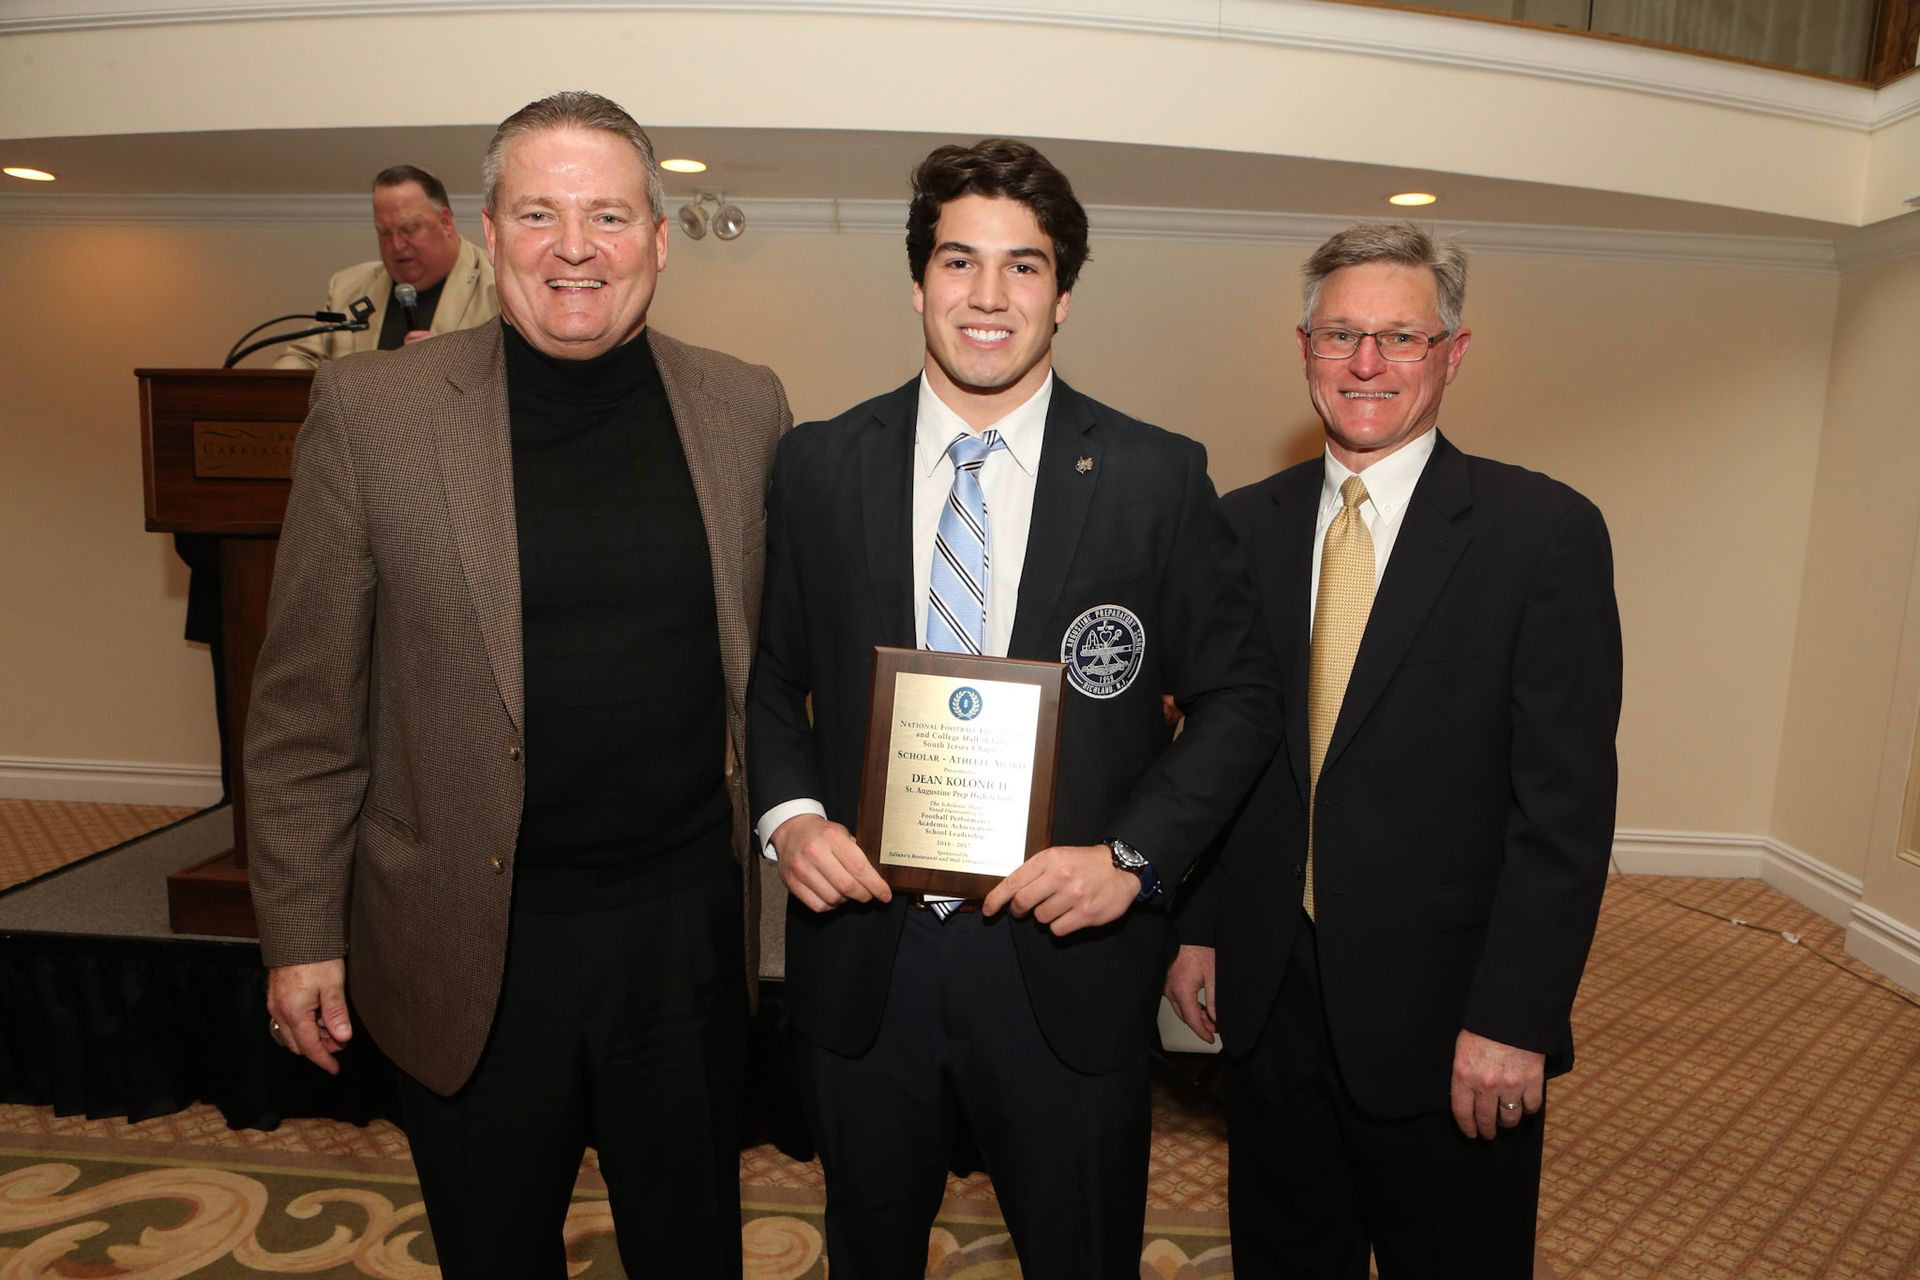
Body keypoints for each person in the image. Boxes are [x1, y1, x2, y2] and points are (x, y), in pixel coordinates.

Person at [246, 91, 791, 1279]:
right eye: (540, 212)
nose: (576, 246)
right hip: (470, 940)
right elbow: (303, 713)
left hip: (682, 934)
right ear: (492, 235)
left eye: (608, 214)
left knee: (692, 1246)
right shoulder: (369, 414)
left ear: (658, 235)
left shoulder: (745, 406)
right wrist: (299, 932)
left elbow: (779, 665)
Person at [747, 138, 1277, 1279]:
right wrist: (791, 818)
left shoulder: (1156, 476)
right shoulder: (820, 466)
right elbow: (771, 677)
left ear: (1065, 293)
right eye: (959, 261)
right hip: (865, 950)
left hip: (1067, 958)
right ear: (919, 279)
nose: (989, 297)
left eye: (1023, 267)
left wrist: (1133, 859)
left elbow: (1240, 700)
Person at [1166, 221, 1623, 1277]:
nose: (1366, 364)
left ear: (1452, 353)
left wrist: (1515, 1014)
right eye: (1342, 335)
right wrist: (1199, 926)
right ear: (1305, 348)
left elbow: (1564, 809)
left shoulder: (1542, 534)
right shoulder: (1241, 525)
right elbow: (1218, 753)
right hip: (1271, 1001)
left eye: (1400, 338)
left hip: (1452, 1024)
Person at [273, 164, 497, 369]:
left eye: (409, 229)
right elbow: (300, 359)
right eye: (384, 233)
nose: (397, 245)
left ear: (446, 222)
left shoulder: (497, 285)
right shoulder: (347, 287)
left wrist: (448, 360)